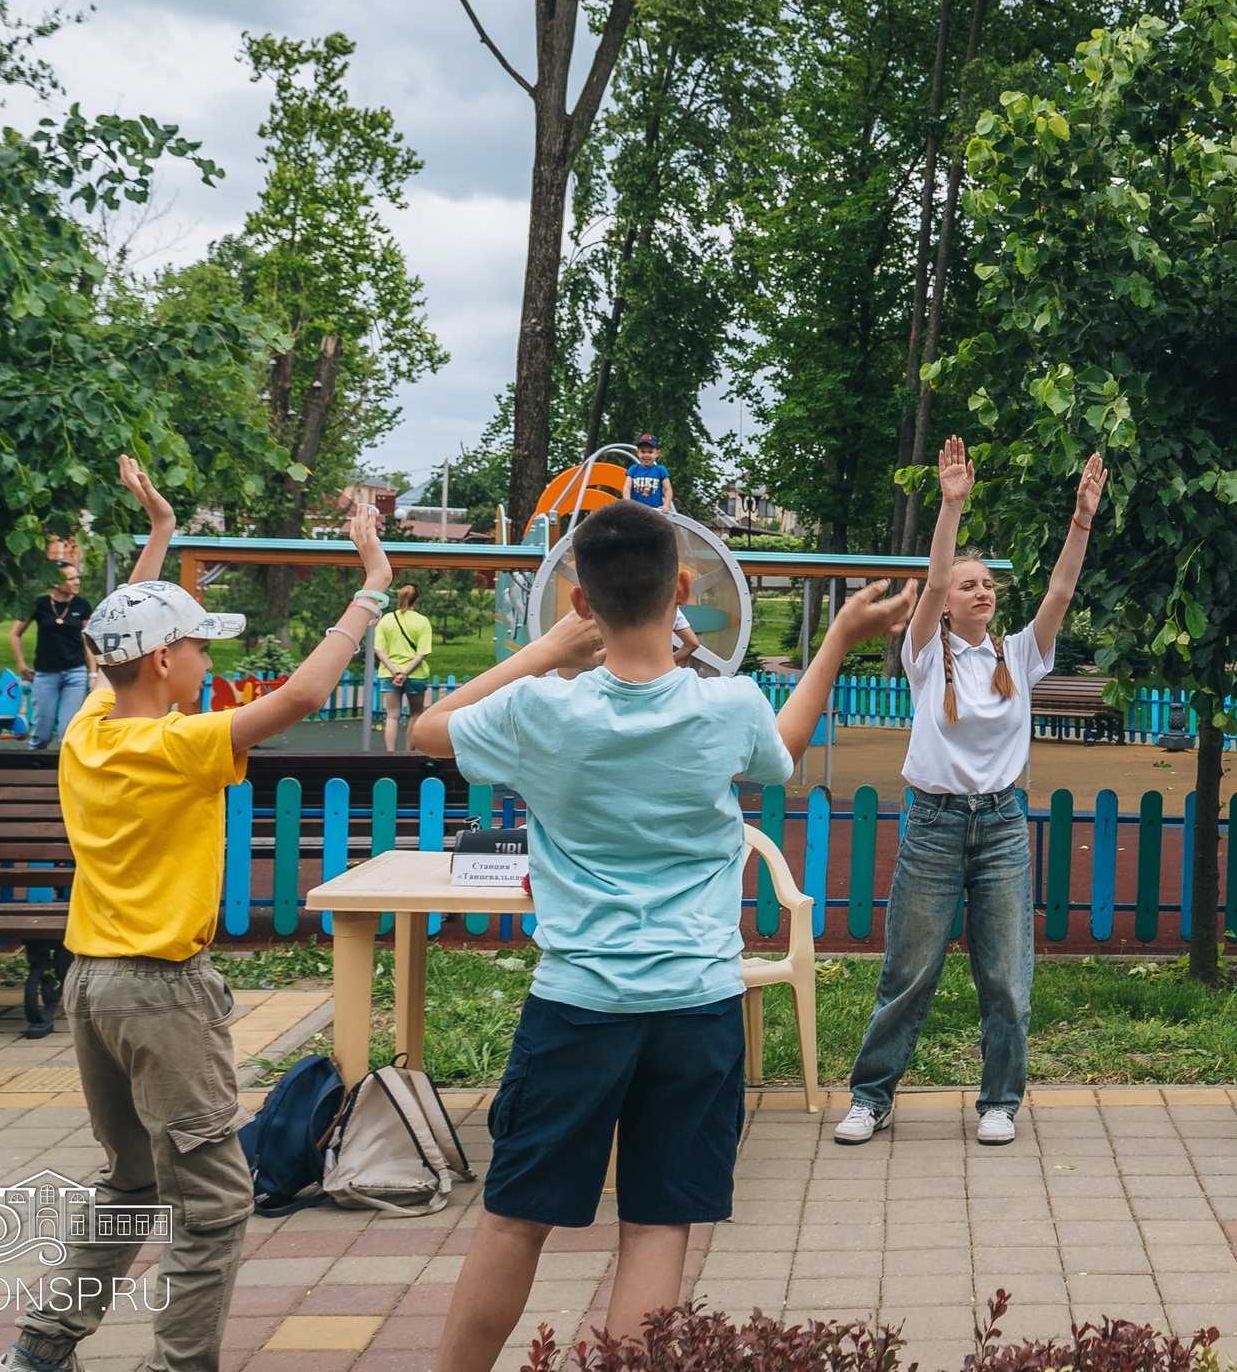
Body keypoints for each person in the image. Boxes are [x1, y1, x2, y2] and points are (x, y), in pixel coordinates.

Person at [410, 498, 915, 1370]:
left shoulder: (537, 710)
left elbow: (426, 732)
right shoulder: (728, 708)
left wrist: (547, 653)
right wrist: (835, 641)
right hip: (696, 1004)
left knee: (516, 1216)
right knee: (657, 1224)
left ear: (579, 599)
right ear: (682, 587)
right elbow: (783, 752)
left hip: (577, 1005)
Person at [1, 457, 395, 1372]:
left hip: (92, 989)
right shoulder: (179, 743)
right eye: (200, 649)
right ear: (168, 661)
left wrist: (161, 535)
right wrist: (370, 588)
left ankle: (39, 1349)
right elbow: (298, 699)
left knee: (132, 1182)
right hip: (161, 995)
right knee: (213, 1203)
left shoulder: (89, 733)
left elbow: (114, 648)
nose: (208, 663)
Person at [833, 436, 1107, 1148]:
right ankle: (871, 1097)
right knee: (909, 972)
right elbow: (928, 580)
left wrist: (1081, 522)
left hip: (1003, 828)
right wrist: (950, 506)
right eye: (969, 584)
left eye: (988, 584)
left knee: (1007, 978)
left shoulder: (1020, 654)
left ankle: (1000, 1102)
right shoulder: (926, 655)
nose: (981, 590)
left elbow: (1062, 592)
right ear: (948, 604)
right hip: (933, 825)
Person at [12, 565, 94, 749]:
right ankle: (34, 771)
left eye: (77, 577)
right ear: (56, 583)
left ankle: (63, 774)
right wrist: (22, 666)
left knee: (68, 733)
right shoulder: (39, 604)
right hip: (46, 673)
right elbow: (15, 634)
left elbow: (88, 641)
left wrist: (94, 673)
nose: (77, 581)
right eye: (71, 578)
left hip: (76, 673)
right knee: (41, 733)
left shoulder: (82, 605)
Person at [375, 583, 435, 750]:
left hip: (388, 674)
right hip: (415, 675)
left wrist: (395, 671)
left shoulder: (386, 620)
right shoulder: (422, 621)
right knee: (415, 714)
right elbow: (422, 652)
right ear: (417, 600)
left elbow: (379, 649)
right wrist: (405, 672)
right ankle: (409, 752)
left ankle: (390, 753)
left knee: (392, 716)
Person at [625, 433, 670, 509]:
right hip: (636, 509)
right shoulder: (633, 469)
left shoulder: (660, 470)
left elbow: (667, 489)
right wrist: (627, 503)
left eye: (650, 452)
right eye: (643, 452)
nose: (646, 455)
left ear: (657, 453)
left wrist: (666, 505)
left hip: (655, 510)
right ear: (637, 452)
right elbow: (627, 487)